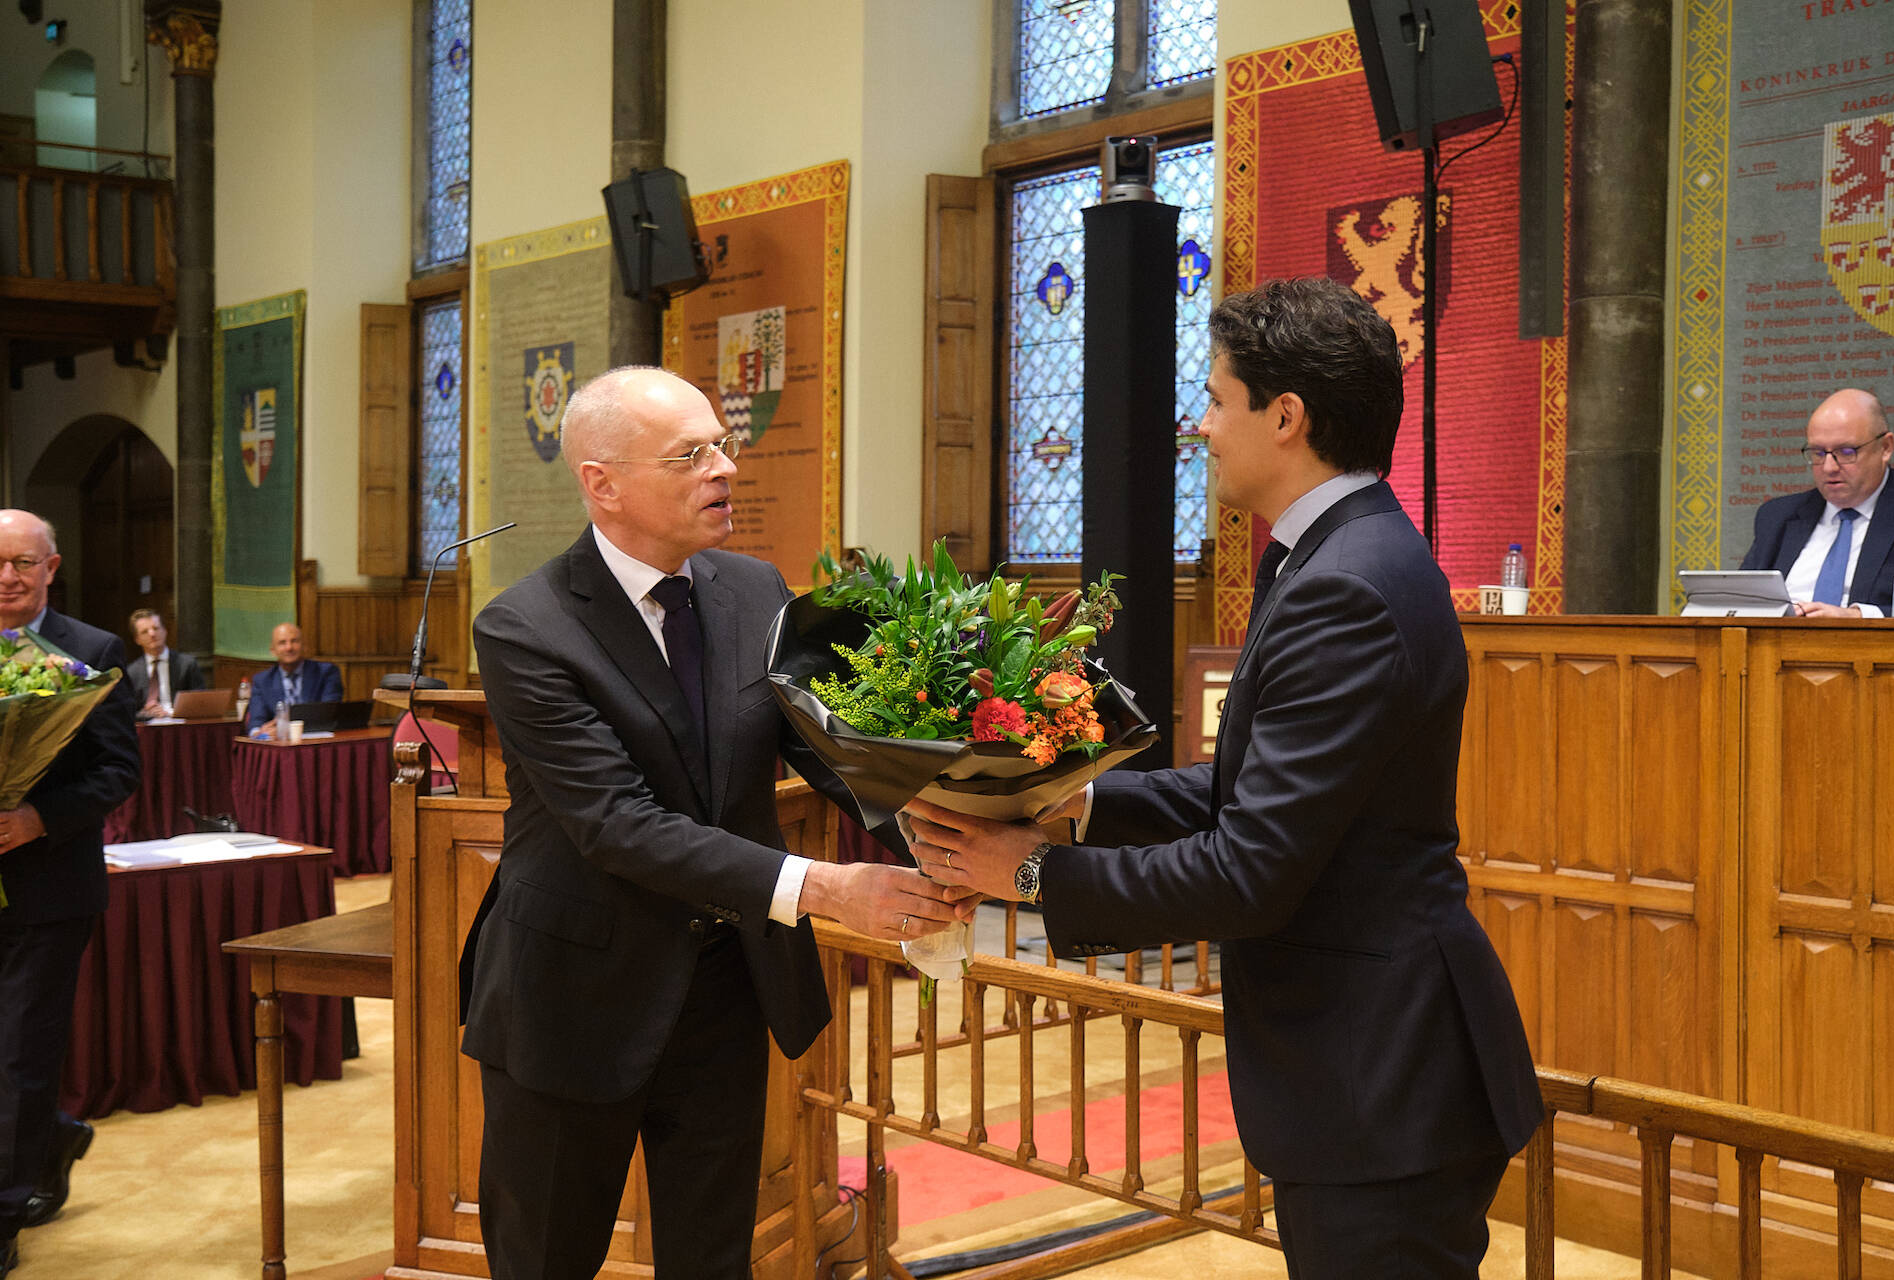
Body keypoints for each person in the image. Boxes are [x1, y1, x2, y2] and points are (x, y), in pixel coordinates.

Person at [903, 278, 1544, 1280]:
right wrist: (1077, 806)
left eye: (1215, 397)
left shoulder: (1349, 586)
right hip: (1366, 1067)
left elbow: (1250, 870)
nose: (1199, 425)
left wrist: (1027, 875)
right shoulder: (1332, 554)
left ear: (1285, 416)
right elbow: (1239, 791)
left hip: (1384, 1077)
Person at [461, 366, 971, 1280]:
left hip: (726, 986)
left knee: (713, 1259)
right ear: (602, 483)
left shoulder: (751, 589)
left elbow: (831, 754)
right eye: (690, 454)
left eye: (723, 444)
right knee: (546, 1259)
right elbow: (619, 823)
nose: (724, 468)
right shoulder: (525, 628)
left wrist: (954, 841)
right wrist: (825, 889)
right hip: (574, 994)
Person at [0, 510, 140, 1276]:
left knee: (21, 1052)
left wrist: (36, 818)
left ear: (51, 566)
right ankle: (51, 1136)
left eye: (22, 562)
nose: (7, 577)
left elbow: (119, 772)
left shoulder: (93, 652)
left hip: (49, 888)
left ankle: (4, 1210)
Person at [1740, 388, 1894, 617]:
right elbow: (1742, 604)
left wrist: (1857, 617)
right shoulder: (1778, 516)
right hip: (1778, 649)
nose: (1829, 467)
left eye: (1846, 452)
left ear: (1886, 448)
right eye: (1817, 453)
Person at [243, 622, 343, 733]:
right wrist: (261, 734)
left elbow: (328, 713)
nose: (289, 647)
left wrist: (285, 728)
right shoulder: (262, 681)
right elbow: (256, 722)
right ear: (273, 650)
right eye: (282, 643)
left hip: (316, 740)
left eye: (294, 641)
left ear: (304, 646)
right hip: (279, 745)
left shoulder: (326, 672)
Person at [123, 608, 207, 719]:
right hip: (147, 729)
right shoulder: (131, 672)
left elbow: (201, 703)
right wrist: (145, 714)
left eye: (156, 628)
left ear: (165, 631)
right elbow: (125, 713)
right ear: (137, 639)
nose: (152, 634)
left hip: (180, 725)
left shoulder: (187, 664)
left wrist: (171, 713)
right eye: (145, 632)